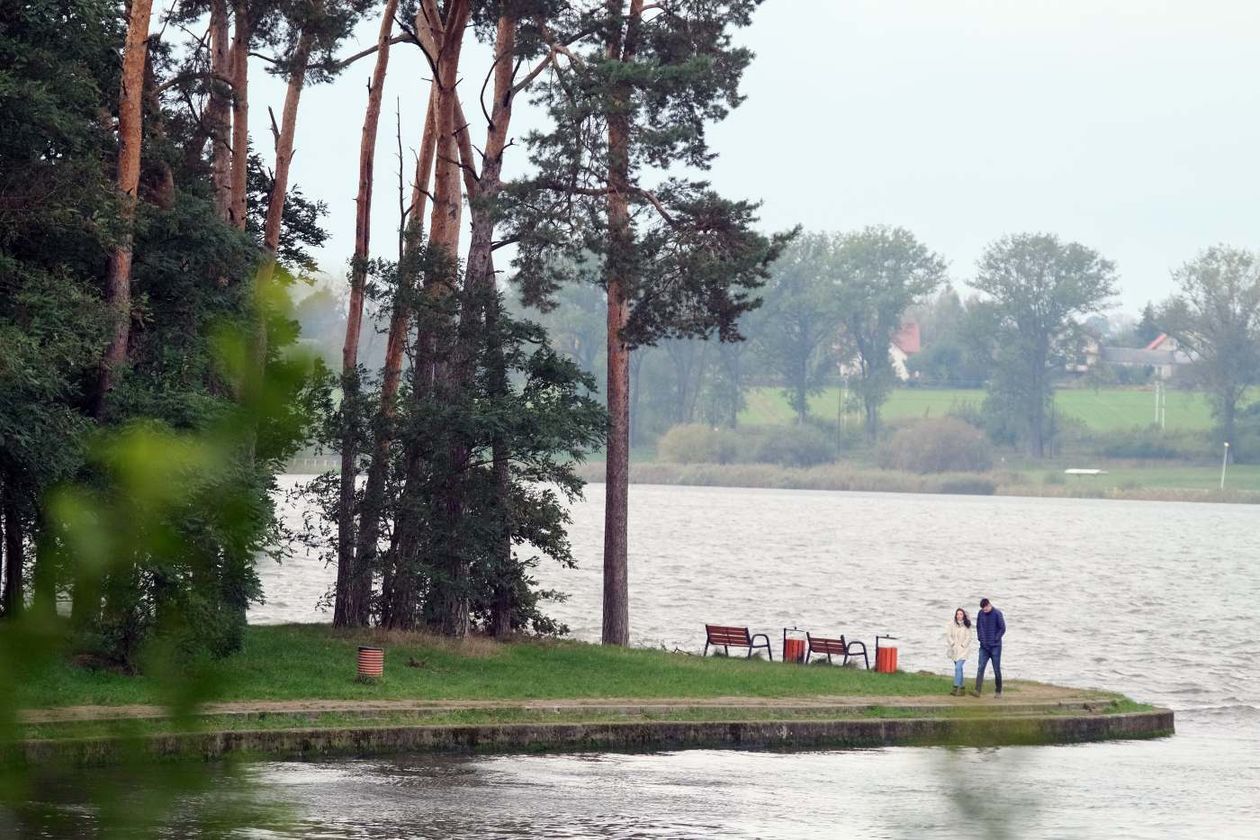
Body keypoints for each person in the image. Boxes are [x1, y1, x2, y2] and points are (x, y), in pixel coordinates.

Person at [971, 597, 1006, 697]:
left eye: (986, 607)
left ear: (989, 605)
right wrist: (980, 638)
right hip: (983, 647)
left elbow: (1002, 628)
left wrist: (995, 638)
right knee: (980, 668)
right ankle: (977, 691)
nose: (984, 610)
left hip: (995, 647)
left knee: (996, 669)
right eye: (983, 608)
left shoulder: (997, 613)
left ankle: (998, 691)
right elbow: (978, 627)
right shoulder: (980, 613)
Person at [946, 608, 972, 696]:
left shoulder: (967, 626)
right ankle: (962, 689)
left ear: (963, 615)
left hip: (963, 651)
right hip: (954, 650)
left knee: (958, 668)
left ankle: (955, 687)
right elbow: (948, 635)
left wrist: (963, 645)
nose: (959, 616)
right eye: (957, 614)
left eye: (961, 614)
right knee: (959, 669)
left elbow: (969, 638)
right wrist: (952, 644)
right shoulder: (951, 624)